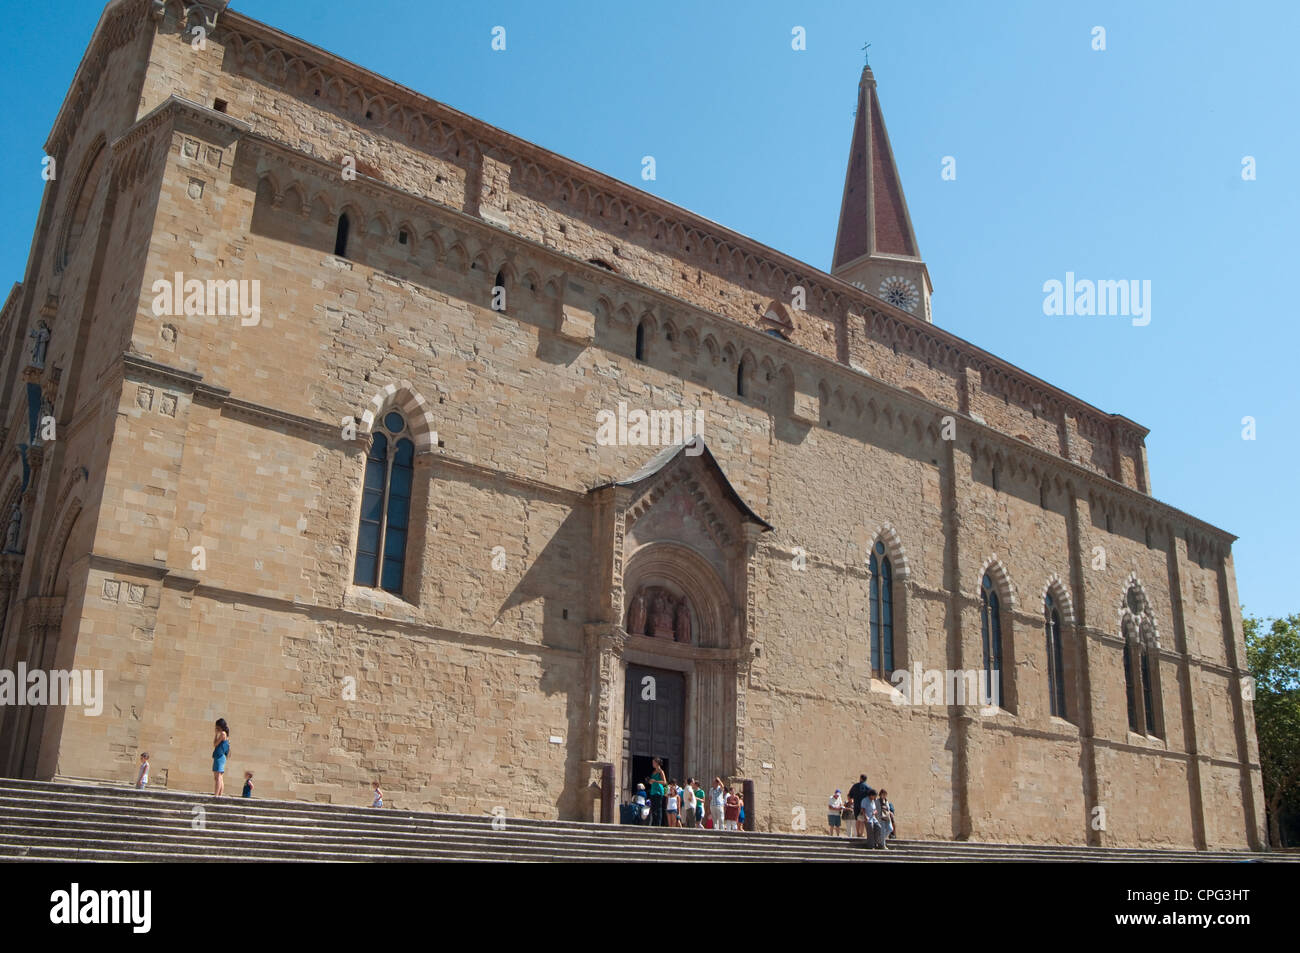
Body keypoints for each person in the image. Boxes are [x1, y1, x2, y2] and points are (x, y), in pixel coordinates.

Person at [212, 718, 230, 796]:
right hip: (220, 756)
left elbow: (215, 744)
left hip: (220, 756)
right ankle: (219, 794)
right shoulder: (224, 734)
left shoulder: (223, 734)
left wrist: (216, 734)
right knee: (219, 777)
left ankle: (217, 795)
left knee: (218, 777)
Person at [648, 758, 668, 827]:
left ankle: (658, 825)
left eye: (653, 762)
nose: (652, 764)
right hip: (653, 791)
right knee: (653, 808)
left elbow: (665, 782)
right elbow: (652, 782)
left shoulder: (661, 771)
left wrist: (655, 781)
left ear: (657, 763)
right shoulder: (653, 772)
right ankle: (654, 824)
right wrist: (650, 781)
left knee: (658, 808)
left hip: (659, 792)